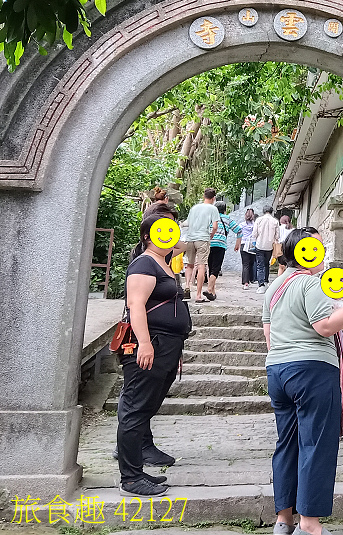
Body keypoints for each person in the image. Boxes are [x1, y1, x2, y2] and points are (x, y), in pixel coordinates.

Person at [262, 229, 343, 535]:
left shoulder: (275, 287)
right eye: (317, 250)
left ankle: (283, 520)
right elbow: (325, 326)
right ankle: (310, 524)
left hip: (278, 371)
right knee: (316, 444)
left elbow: (268, 334)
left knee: (287, 444)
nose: (322, 256)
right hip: (311, 370)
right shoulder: (310, 284)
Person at [116, 211, 192, 497]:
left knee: (145, 407)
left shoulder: (164, 263)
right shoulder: (145, 264)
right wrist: (145, 343)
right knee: (135, 408)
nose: (169, 237)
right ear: (148, 236)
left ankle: (137, 468)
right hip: (150, 345)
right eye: (162, 231)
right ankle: (131, 478)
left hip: (167, 345)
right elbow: (136, 306)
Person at [182, 188, 220, 303]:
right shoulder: (213, 209)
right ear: (213, 198)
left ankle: (187, 287)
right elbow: (214, 226)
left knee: (190, 265)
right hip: (202, 238)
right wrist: (211, 235)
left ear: (204, 196)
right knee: (202, 266)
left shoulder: (194, 208)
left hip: (190, 238)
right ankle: (198, 295)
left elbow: (187, 223)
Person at [205, 201, 242, 301]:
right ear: (225, 210)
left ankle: (212, 292)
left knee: (210, 266)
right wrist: (237, 244)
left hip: (209, 244)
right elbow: (239, 230)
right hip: (220, 245)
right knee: (216, 268)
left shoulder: (210, 218)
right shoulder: (227, 218)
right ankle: (209, 289)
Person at [252, 206, 279, 293]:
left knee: (260, 265)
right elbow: (277, 236)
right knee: (267, 264)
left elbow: (254, 233)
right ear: (271, 212)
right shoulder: (275, 221)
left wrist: (255, 240)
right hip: (270, 246)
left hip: (260, 245)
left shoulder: (259, 220)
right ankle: (266, 281)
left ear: (263, 211)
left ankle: (261, 285)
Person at [239, 208, 257, 286]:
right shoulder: (255, 225)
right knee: (251, 263)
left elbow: (238, 234)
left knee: (245, 264)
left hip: (243, 244)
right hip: (252, 245)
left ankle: (245, 282)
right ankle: (251, 279)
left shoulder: (241, 225)